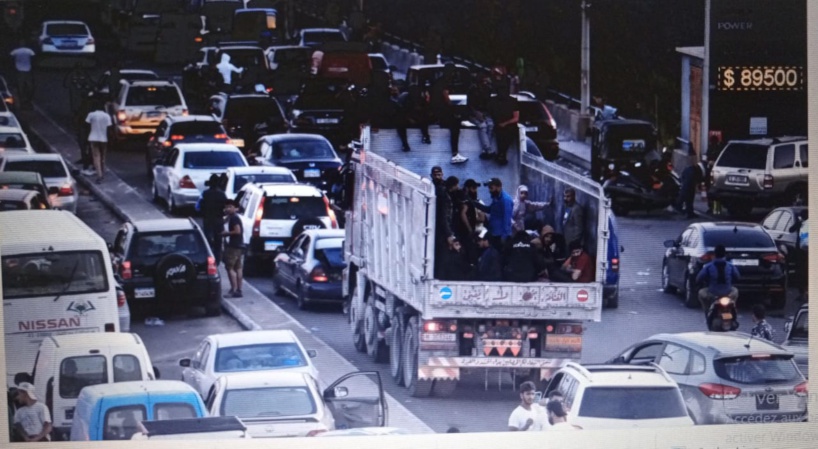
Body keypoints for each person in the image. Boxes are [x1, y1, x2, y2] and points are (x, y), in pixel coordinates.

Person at [430, 63, 468, 164]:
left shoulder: (439, 81)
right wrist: (455, 109)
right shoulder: (445, 82)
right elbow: (446, 98)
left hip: (438, 110)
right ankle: (455, 154)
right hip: (442, 112)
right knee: (455, 126)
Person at [696, 244, 740, 310]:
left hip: (712, 293)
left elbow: (699, 278)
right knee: (735, 290)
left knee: (701, 293)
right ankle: (732, 308)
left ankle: (707, 311)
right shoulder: (730, 266)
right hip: (728, 293)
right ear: (725, 255)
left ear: (714, 254)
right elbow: (737, 277)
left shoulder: (708, 266)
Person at [474, 178, 513, 248]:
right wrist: (476, 204)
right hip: (494, 233)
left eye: (491, 188)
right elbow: (490, 210)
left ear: (499, 187)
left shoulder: (505, 200)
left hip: (501, 235)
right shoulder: (496, 198)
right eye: (489, 188)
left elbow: (507, 220)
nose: (489, 190)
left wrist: (504, 237)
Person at [198, 174, 228, 264]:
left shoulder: (205, 193)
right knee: (218, 242)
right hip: (218, 220)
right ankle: (217, 261)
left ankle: (209, 259)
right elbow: (225, 207)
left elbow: (198, 206)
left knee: (207, 240)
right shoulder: (222, 194)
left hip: (207, 220)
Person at [488, 89, 519, 166]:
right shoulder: (494, 101)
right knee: (501, 136)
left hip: (508, 127)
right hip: (500, 126)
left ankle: (501, 155)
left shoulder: (512, 101)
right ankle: (501, 155)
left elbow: (516, 118)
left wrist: (505, 123)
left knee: (504, 136)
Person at [397, 83, 432, 151]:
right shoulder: (406, 99)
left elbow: (426, 112)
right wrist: (409, 118)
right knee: (400, 123)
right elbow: (402, 112)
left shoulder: (421, 100)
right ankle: (405, 144)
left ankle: (426, 136)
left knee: (424, 118)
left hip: (419, 120)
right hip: (409, 120)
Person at [221, 199, 245, 298]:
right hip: (239, 246)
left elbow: (237, 231)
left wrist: (226, 233)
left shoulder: (234, 218)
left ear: (236, 208)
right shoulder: (232, 217)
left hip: (233, 246)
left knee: (230, 268)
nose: (228, 209)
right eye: (226, 207)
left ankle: (234, 290)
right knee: (238, 267)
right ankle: (239, 290)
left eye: (230, 207)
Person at [85, 101, 113, 184]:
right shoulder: (106, 116)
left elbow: (86, 126)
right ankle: (103, 172)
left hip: (93, 138)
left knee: (96, 157)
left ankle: (99, 175)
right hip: (103, 138)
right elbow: (109, 128)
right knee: (103, 157)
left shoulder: (91, 115)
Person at [468, 74, 494, 156]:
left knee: (491, 125)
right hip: (474, 113)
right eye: (484, 81)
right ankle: (488, 149)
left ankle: (485, 150)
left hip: (485, 113)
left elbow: (488, 104)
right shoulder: (472, 89)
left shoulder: (488, 89)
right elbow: (470, 105)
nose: (485, 82)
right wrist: (476, 113)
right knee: (483, 126)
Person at [10, 40, 36, 109]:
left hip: (19, 70)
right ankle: (28, 99)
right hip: (27, 69)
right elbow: (33, 58)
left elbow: (11, 58)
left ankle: (22, 98)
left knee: (20, 84)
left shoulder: (15, 51)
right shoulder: (29, 51)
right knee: (29, 85)